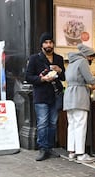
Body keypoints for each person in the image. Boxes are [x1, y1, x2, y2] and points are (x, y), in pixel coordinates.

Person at [26, 32, 65, 161]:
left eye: (50, 42)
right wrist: (41, 79)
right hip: (41, 95)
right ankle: (42, 148)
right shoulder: (34, 58)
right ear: (42, 45)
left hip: (56, 94)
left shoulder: (58, 58)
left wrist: (60, 70)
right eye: (46, 42)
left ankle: (50, 147)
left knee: (53, 123)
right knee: (42, 123)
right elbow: (28, 77)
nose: (49, 45)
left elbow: (64, 77)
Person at [63, 44, 95, 163]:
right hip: (79, 96)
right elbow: (90, 79)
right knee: (80, 124)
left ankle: (72, 152)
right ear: (88, 56)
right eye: (92, 57)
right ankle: (81, 154)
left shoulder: (71, 62)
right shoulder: (82, 61)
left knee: (72, 124)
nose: (92, 60)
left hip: (69, 95)